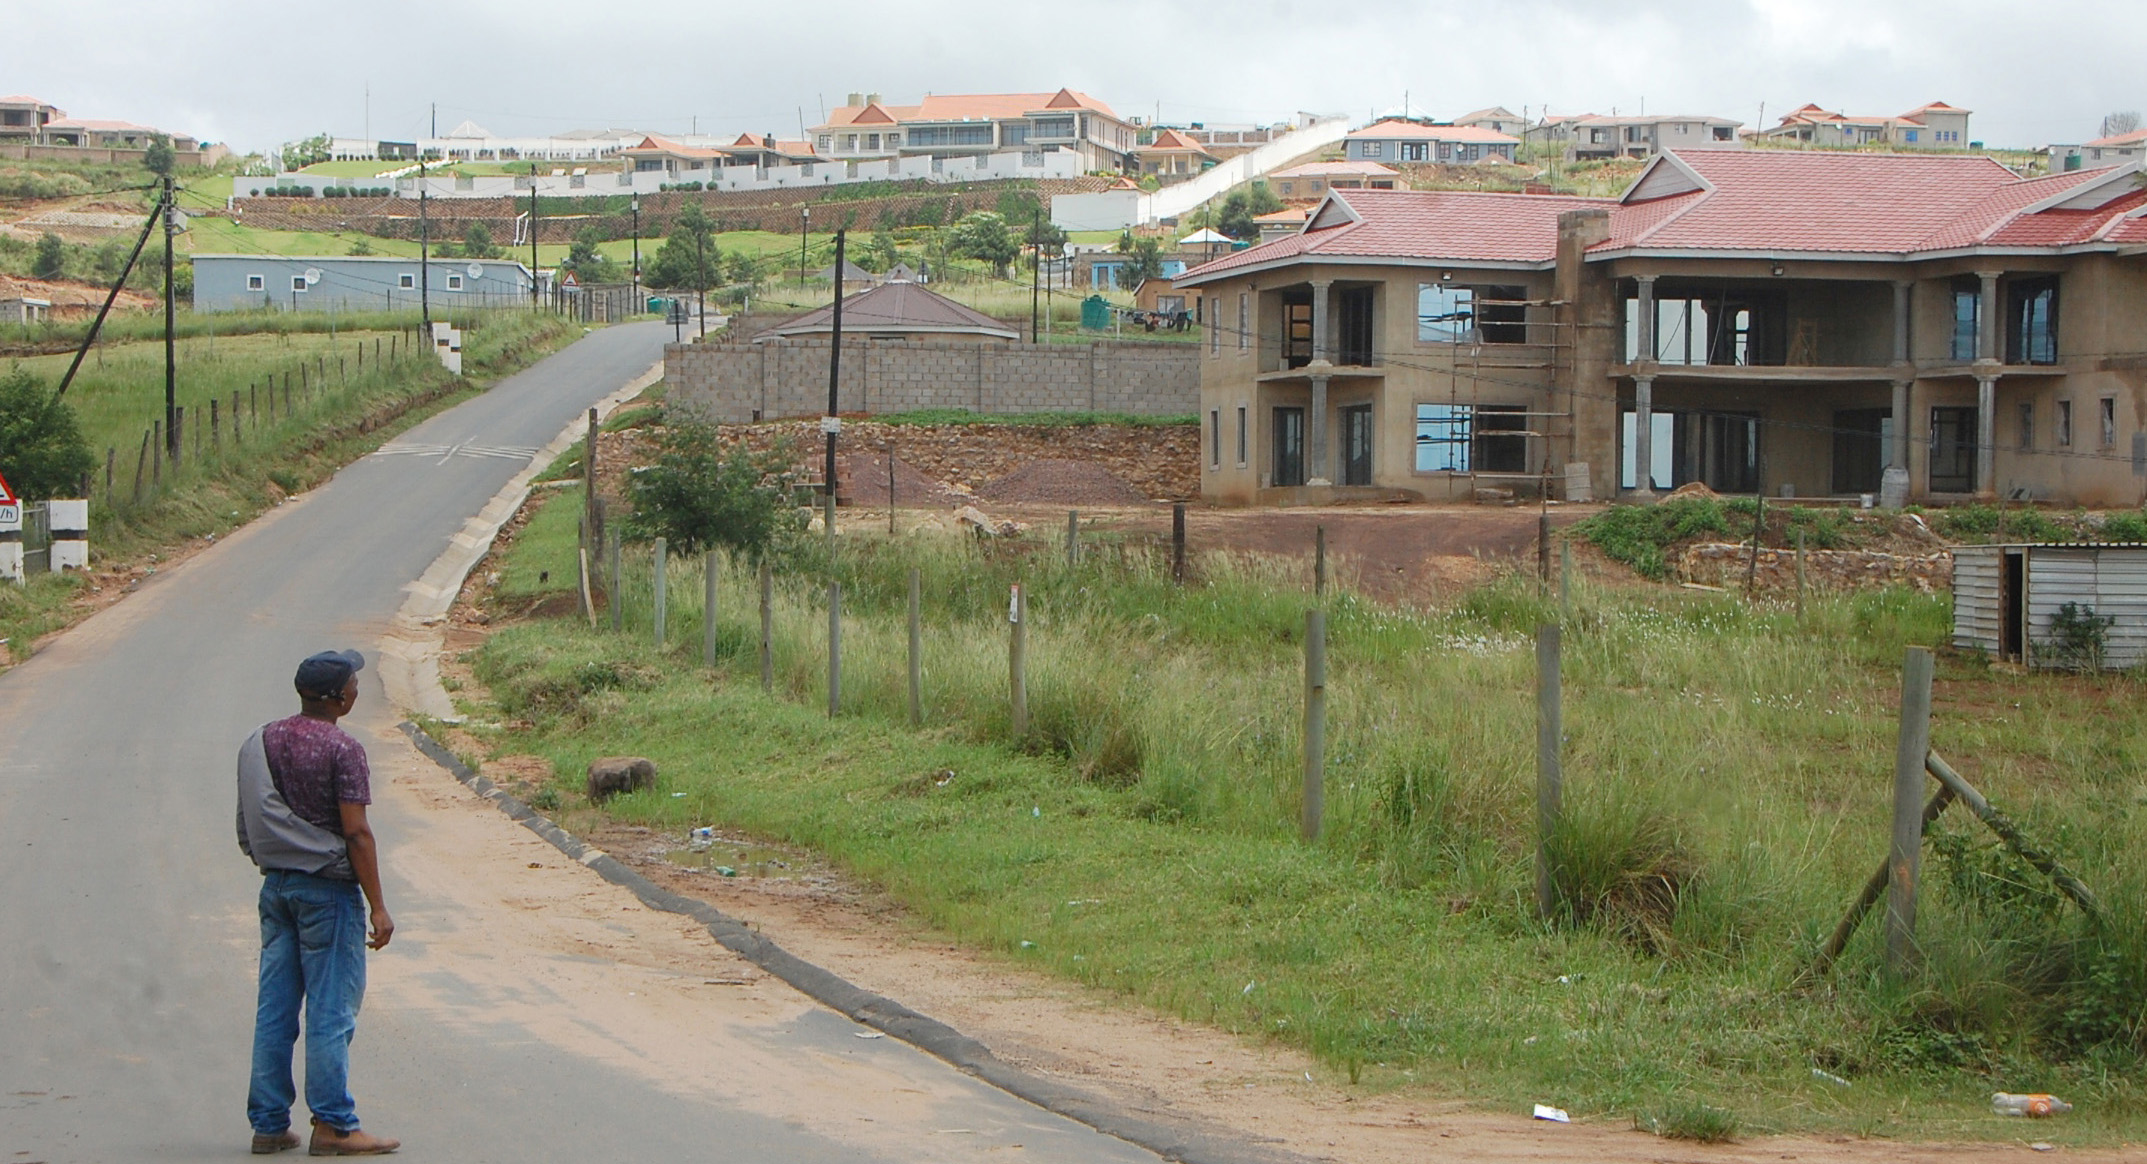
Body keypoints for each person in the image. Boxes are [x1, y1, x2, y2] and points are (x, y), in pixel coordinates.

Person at [235, 649, 399, 1156]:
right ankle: (333, 1125)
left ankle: (268, 1124)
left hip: (277, 888)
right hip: (328, 894)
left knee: (276, 1008)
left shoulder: (260, 741)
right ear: (339, 699)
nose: (356, 687)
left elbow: (247, 825)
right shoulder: (343, 749)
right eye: (353, 683)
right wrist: (378, 905)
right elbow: (356, 833)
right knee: (331, 1011)